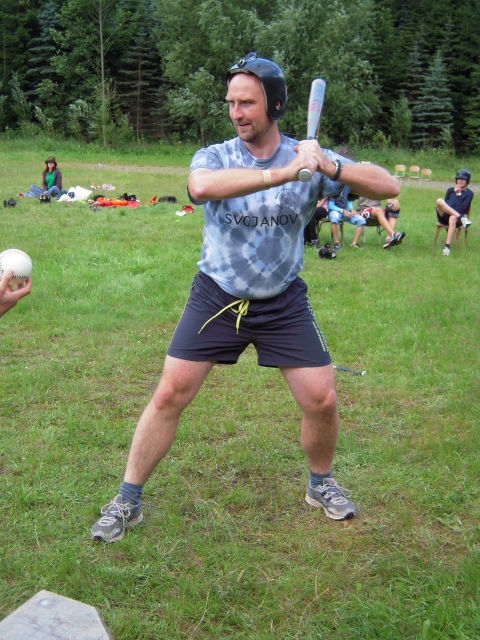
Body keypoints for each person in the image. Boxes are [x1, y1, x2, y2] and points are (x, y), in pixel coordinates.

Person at [90, 52, 400, 543]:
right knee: (169, 394)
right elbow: (199, 188)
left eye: (247, 103)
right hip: (217, 295)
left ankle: (320, 484)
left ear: (274, 104)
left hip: (282, 301)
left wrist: (330, 164)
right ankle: (127, 498)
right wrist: (285, 173)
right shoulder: (216, 155)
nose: (236, 113)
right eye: (231, 102)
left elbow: (389, 185)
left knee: (322, 398)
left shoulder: (308, 156)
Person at [435, 169, 473, 256]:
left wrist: (458, 194)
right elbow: (444, 204)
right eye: (458, 179)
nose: (460, 181)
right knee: (439, 200)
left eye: (463, 179)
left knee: (453, 217)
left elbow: (462, 209)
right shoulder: (450, 190)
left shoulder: (469, 194)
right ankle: (462, 219)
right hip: (444, 216)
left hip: (456, 220)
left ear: (467, 181)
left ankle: (447, 248)